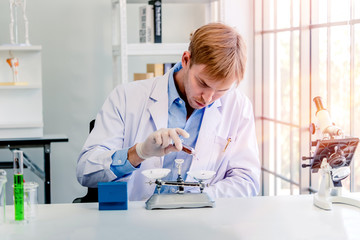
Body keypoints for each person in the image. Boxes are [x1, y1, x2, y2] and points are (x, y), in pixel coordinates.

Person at [76, 23, 260, 201]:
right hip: (136, 223)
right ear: (186, 60)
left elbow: (247, 181)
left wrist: (199, 199)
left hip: (201, 222)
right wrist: (138, 152)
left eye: (221, 90)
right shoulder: (126, 97)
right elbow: (86, 171)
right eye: (203, 84)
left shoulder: (239, 106)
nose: (208, 98)